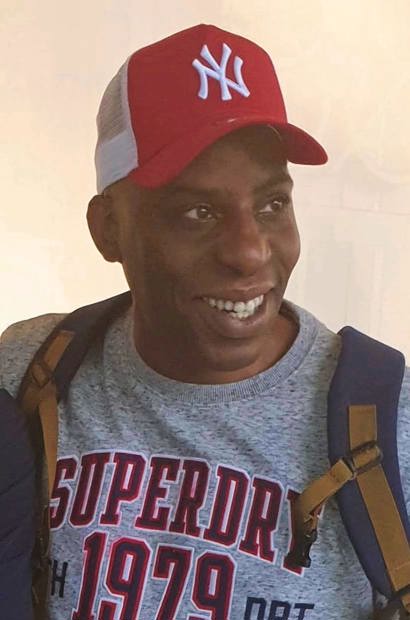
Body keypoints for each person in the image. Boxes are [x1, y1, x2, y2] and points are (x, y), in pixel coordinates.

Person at [1, 23, 409, 620]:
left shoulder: (390, 421)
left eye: (272, 204)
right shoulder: (32, 369)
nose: (249, 251)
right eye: (198, 211)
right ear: (107, 228)